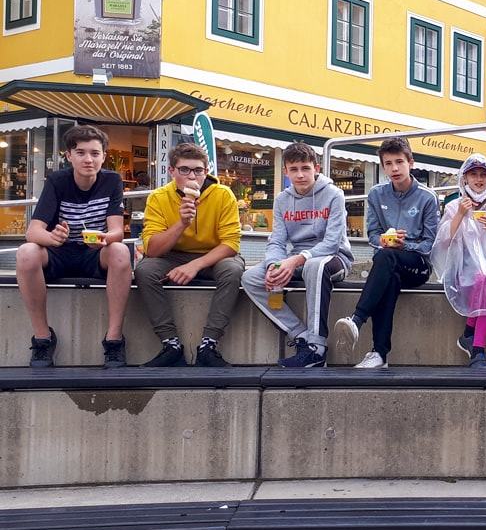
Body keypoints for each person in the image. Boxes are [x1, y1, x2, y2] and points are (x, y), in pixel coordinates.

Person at [16, 125, 131, 368]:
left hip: (94, 254)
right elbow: (33, 232)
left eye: (95, 153)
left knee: (120, 251)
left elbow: (117, 231)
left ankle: (114, 340)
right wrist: (53, 238)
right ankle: (43, 338)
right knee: (26, 253)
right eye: (80, 152)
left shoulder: (112, 181)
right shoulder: (58, 181)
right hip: (59, 252)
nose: (88, 159)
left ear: (104, 156)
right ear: (69, 156)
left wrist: (104, 238)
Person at [241, 142, 353, 368]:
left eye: (305, 168)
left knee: (314, 266)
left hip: (335, 258)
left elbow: (332, 243)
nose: (300, 175)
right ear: (286, 172)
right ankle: (301, 336)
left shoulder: (334, 194)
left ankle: (317, 348)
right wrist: (274, 265)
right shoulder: (282, 200)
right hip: (297, 259)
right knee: (250, 277)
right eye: (294, 169)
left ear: (316, 168)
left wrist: (295, 260)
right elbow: (277, 241)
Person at [134, 143, 244, 367]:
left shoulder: (223, 195)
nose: (192, 176)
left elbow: (231, 243)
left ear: (206, 171)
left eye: (198, 170)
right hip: (172, 256)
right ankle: (170, 343)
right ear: (172, 171)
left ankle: (209, 344)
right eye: (184, 170)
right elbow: (152, 250)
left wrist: (195, 265)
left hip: (214, 256)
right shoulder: (159, 197)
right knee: (145, 270)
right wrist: (182, 223)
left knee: (232, 270)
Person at [333, 137, 438, 368]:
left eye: (399, 162)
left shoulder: (427, 197)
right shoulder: (376, 194)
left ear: (411, 163)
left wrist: (404, 246)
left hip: (418, 266)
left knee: (386, 258)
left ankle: (357, 320)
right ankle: (379, 354)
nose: (394, 168)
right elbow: (372, 234)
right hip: (388, 263)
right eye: (388, 163)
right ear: (383, 167)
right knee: (389, 274)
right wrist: (382, 241)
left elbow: (430, 244)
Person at [431, 154, 486, 369]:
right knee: (485, 278)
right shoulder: (455, 206)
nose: (479, 180)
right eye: (474, 175)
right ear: (465, 178)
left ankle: (473, 341)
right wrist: (460, 214)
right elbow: (443, 241)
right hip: (460, 267)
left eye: (483, 175)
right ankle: (476, 345)